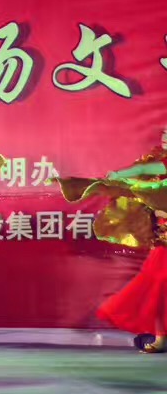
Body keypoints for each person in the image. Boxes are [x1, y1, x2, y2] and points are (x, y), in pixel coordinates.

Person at [60, 126, 167, 353]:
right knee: (155, 286)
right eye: (165, 134)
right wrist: (118, 176)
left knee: (159, 284)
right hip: (163, 239)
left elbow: (154, 184)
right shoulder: (161, 165)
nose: (165, 139)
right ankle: (161, 338)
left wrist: (131, 184)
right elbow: (145, 170)